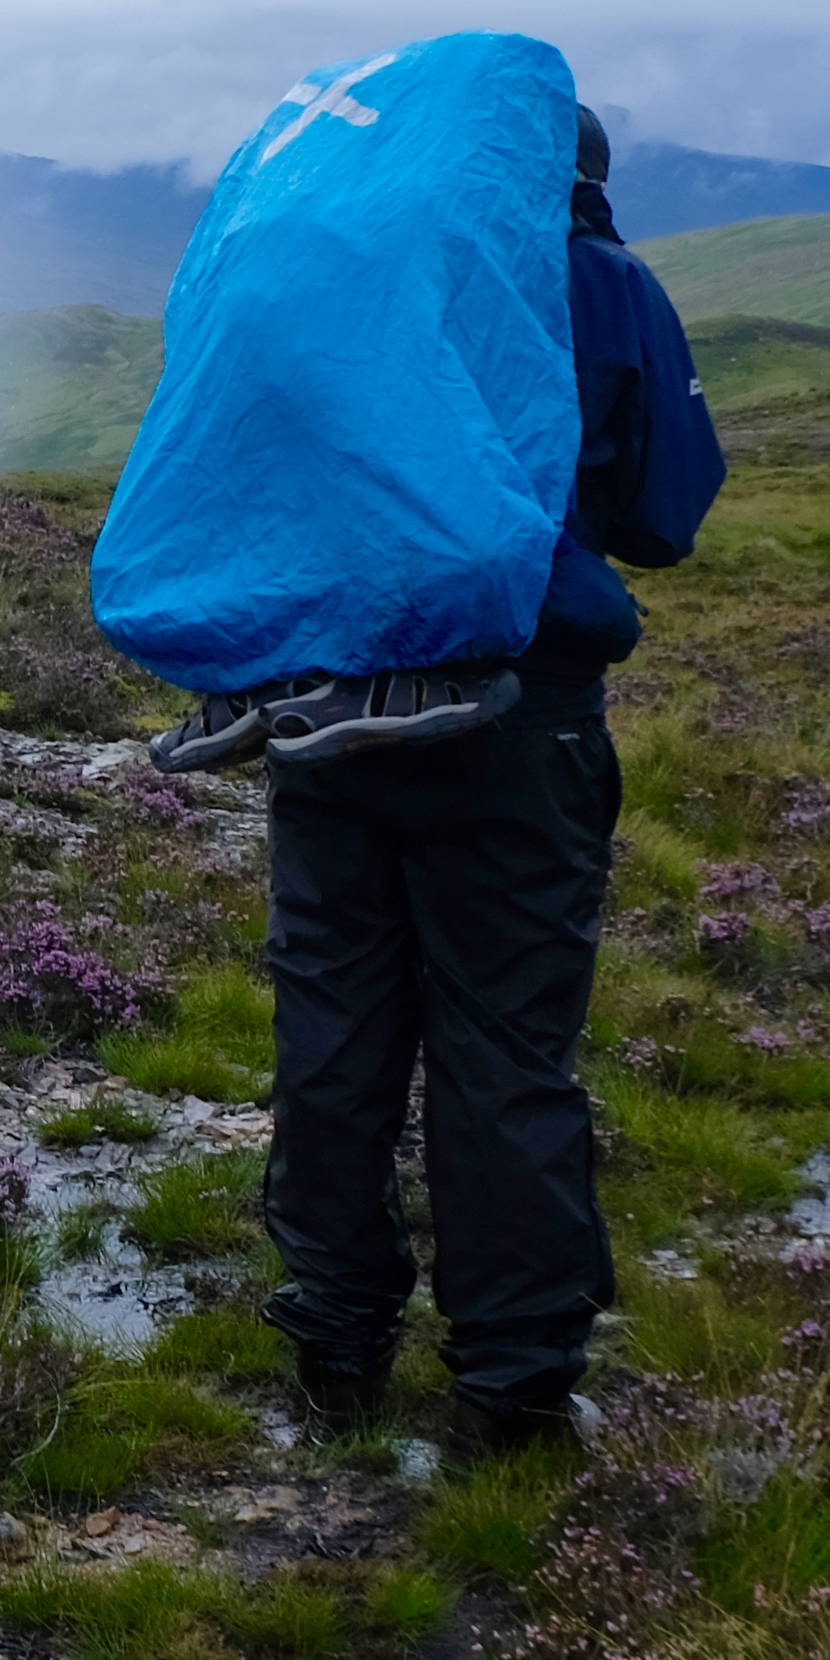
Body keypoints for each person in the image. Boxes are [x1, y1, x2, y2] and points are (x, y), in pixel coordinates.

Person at [254, 103, 722, 1452]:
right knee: (506, 1055)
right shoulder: (600, 284)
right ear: (584, 181)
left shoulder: (352, 277)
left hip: (328, 711)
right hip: (522, 720)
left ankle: (334, 1355)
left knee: (333, 1041)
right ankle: (512, 1393)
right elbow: (663, 514)